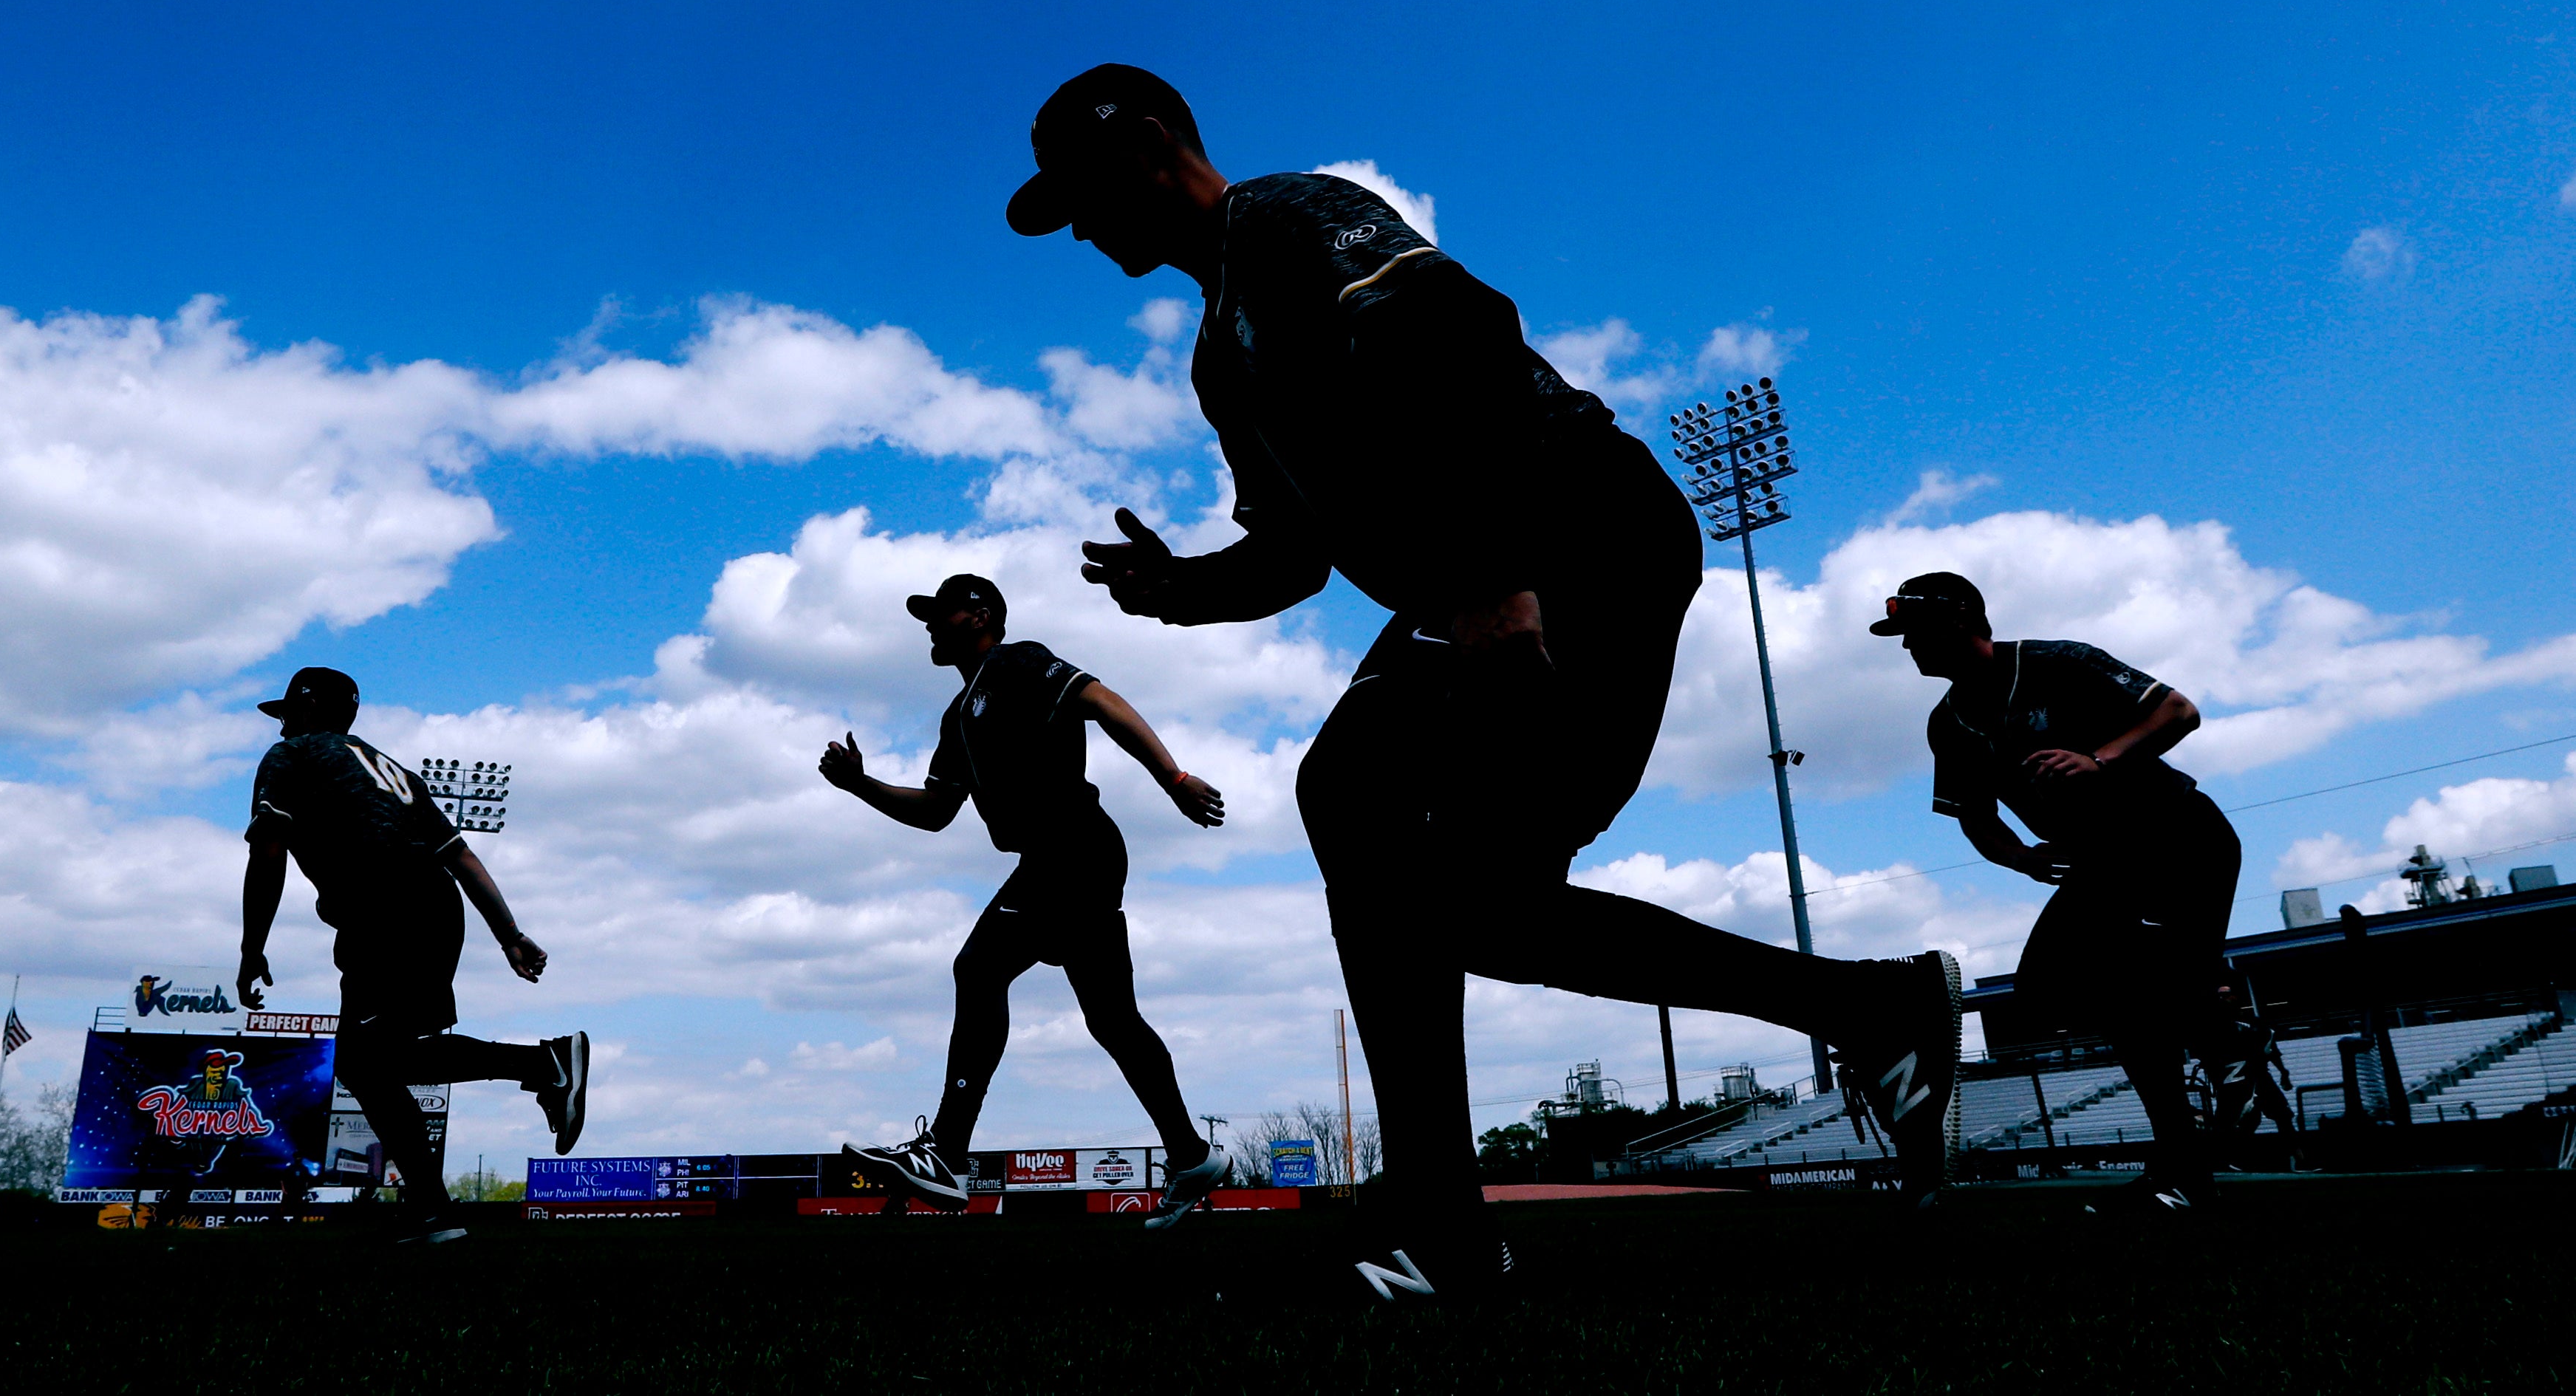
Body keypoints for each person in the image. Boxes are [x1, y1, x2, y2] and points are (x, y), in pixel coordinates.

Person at [1003, 64, 1965, 1297]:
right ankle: (1874, 1010)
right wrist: (1181, 585)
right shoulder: (1219, 360)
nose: (1078, 228)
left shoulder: (1288, 217)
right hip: (1483, 576)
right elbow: (1295, 557)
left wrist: (1498, 571)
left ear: (1145, 146)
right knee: (1458, 887)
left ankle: (1442, 1228)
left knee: (1362, 799)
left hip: (1576, 524)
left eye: (1079, 195)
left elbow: (1459, 322)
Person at [819, 574, 1236, 1228]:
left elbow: (1102, 701)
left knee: (978, 968)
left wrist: (1174, 778)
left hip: (1072, 848)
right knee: (1113, 1020)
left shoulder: (1014, 663)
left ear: (981, 616)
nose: (929, 625)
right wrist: (859, 785)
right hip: (1060, 859)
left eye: (942, 613)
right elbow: (935, 813)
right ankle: (1189, 1154)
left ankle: (946, 1154)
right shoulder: (958, 717)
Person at [1869, 573, 2239, 1214]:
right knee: (2045, 990)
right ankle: (2212, 1031)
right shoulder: (1948, 721)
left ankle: (2189, 1145)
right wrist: (2023, 857)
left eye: (1914, 633)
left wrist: (2099, 759)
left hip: (2179, 838)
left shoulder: (2055, 662)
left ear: (1960, 618)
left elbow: (2179, 711)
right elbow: (1975, 819)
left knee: (2135, 997)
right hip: (2105, 865)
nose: (1907, 649)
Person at [236, 666, 589, 1245]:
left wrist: (253, 948)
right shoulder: (392, 769)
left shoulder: (291, 756)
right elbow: (461, 856)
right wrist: (509, 934)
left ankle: (536, 1075)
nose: (279, 729)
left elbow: (269, 850)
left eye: (285, 715)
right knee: (381, 1061)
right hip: (433, 903)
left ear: (303, 708)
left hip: (383, 905)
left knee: (366, 1064)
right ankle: (441, 1202)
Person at [2207, 982, 2296, 1169]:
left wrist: (2283, 1072)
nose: (2224, 999)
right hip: (2235, 1078)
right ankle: (2227, 1160)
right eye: (2220, 996)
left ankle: (2297, 1158)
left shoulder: (2254, 1022)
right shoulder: (2213, 1025)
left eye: (2227, 995)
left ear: (2235, 997)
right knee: (2240, 1120)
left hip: (2259, 1074)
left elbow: (2271, 1049)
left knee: (2282, 1114)